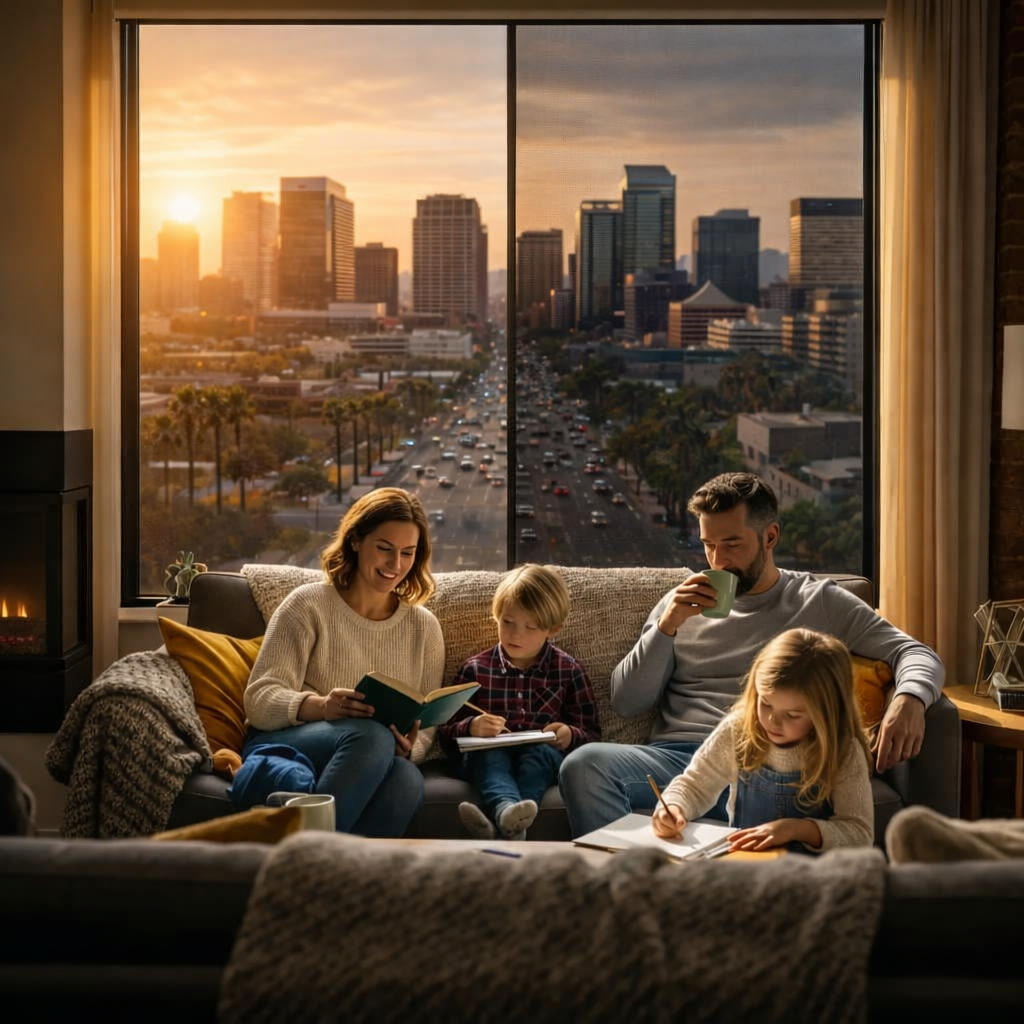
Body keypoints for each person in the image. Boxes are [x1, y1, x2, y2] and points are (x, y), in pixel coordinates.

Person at [559, 471, 945, 838]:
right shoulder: (678, 604)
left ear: (770, 536)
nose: (718, 561)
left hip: (768, 762)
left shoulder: (817, 601)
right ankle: (629, 890)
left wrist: (910, 698)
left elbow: (913, 651)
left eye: (732, 544)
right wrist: (667, 627)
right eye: (708, 545)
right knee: (584, 766)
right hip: (679, 761)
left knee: (769, 784)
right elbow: (626, 702)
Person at [242, 487, 444, 837]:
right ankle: (310, 862)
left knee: (407, 777)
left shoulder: (424, 627)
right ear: (355, 541)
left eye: (407, 553)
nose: (395, 565)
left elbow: (426, 726)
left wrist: (411, 747)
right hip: (293, 743)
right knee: (372, 737)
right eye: (384, 549)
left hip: (372, 755)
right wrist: (321, 706)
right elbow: (258, 700)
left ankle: (338, 882)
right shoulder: (307, 605)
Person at [652, 628, 873, 853]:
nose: (772, 721)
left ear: (827, 712)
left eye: (793, 715)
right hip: (749, 869)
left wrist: (794, 829)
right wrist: (672, 806)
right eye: (765, 703)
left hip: (814, 879)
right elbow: (695, 785)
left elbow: (859, 834)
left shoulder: (843, 749)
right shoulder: (738, 729)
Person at [439, 563, 600, 840]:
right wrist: (471, 726)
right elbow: (443, 734)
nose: (515, 635)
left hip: (541, 756)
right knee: (490, 755)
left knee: (538, 755)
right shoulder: (475, 670)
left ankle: (502, 820)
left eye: (531, 627)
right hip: (486, 755)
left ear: (553, 628)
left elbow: (592, 736)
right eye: (507, 622)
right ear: (496, 616)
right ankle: (508, 816)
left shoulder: (568, 670)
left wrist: (567, 734)